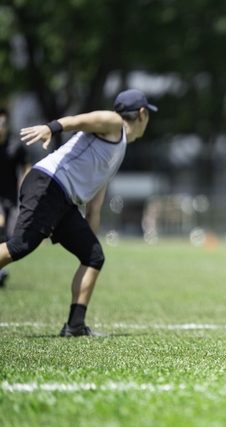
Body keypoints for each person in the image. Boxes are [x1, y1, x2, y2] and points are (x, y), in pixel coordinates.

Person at [0, 89, 156, 337]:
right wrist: (51, 128)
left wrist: (87, 241)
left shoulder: (118, 150)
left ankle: (75, 325)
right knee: (20, 245)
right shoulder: (114, 122)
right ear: (142, 113)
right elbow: (79, 120)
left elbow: (94, 206)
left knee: (93, 256)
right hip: (48, 184)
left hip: (63, 199)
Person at [0, 107, 32, 287]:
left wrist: (25, 183)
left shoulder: (15, 146)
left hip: (12, 198)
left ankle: (1, 270)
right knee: (0, 223)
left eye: (3, 123)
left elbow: (27, 166)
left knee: (11, 236)